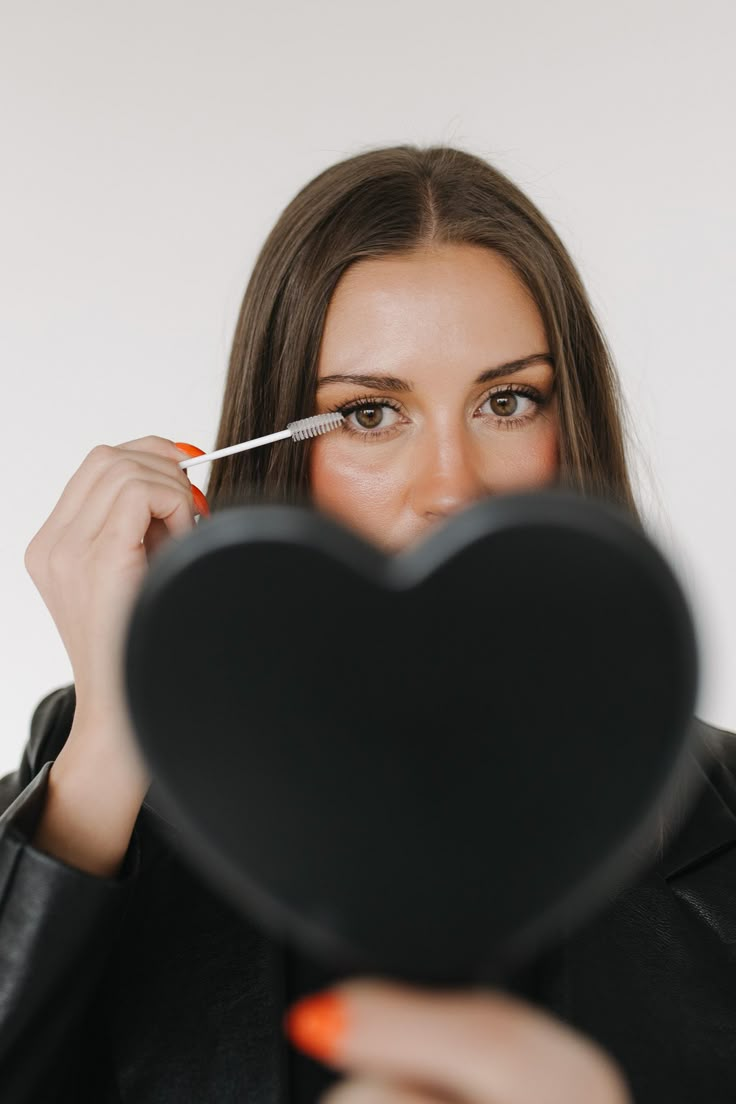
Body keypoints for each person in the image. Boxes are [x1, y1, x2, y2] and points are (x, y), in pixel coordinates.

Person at [1, 144, 735, 1104]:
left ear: (574, 429)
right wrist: (119, 735)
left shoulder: (721, 817)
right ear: (278, 451)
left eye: (507, 401)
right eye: (371, 414)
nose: (450, 489)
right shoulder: (97, 788)